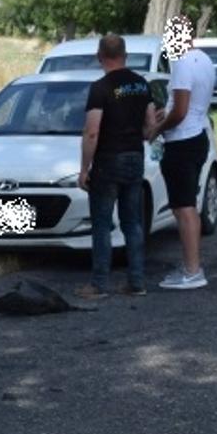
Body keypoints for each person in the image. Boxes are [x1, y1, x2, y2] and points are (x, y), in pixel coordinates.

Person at [76, 35, 160, 299]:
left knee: (101, 224)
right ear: (125, 55)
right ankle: (136, 282)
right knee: (132, 222)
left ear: (100, 56)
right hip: (135, 157)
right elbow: (149, 127)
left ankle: (99, 284)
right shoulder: (141, 84)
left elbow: (92, 132)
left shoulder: (99, 88)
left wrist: (84, 168)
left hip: (108, 161)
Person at [149, 15, 215, 291]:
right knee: (187, 205)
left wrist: (157, 128)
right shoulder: (204, 60)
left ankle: (192, 270)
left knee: (184, 207)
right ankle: (191, 265)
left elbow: (180, 110)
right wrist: (170, 112)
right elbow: (187, 104)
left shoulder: (182, 64)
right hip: (197, 134)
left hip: (182, 141)